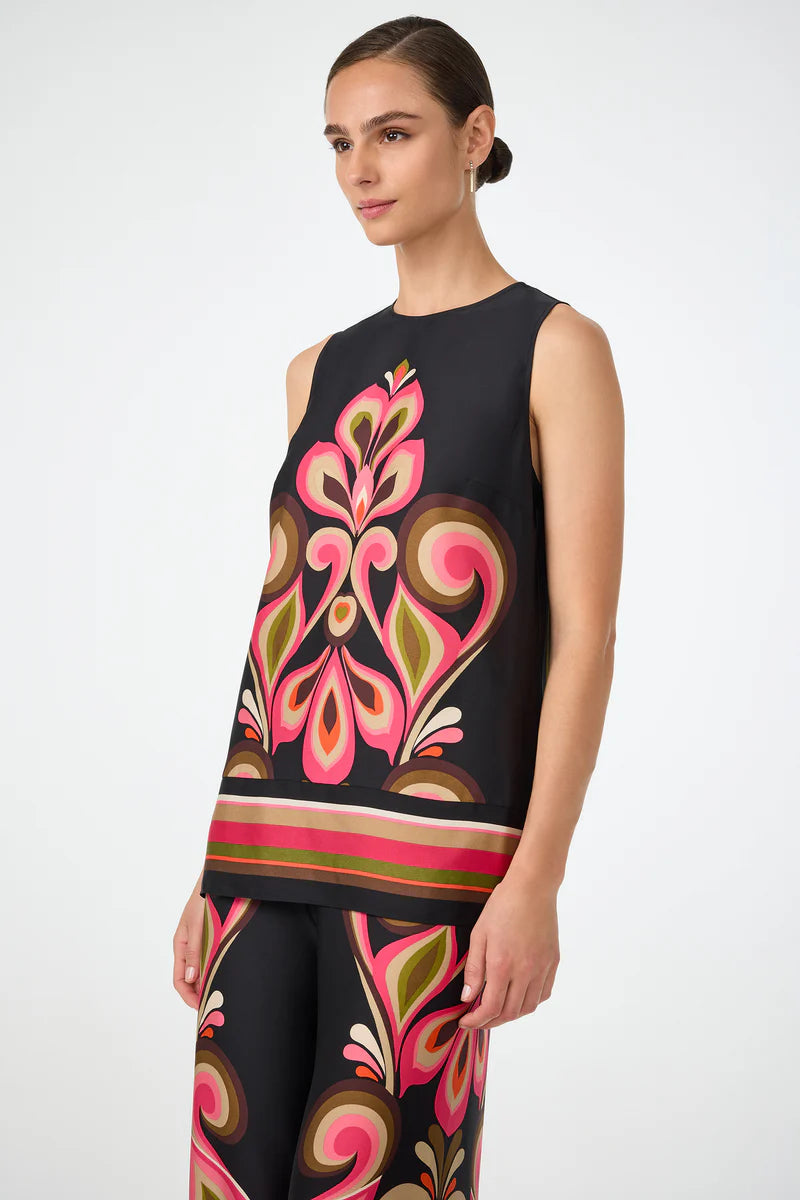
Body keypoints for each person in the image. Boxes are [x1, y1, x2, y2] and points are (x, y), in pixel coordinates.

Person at [173, 15, 624, 1199]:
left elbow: (583, 636)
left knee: (380, 1181)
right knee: (230, 1178)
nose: (357, 171)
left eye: (392, 134)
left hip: (430, 863)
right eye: (338, 143)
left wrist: (534, 879)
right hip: (262, 852)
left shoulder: (555, 348)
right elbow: (285, 627)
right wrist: (212, 868)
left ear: (474, 137)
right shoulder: (314, 369)